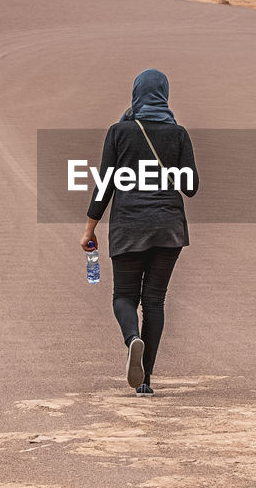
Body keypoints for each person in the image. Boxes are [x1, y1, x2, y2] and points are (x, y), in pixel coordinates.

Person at [81, 69, 199, 395]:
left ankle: (133, 338)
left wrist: (89, 229)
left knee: (124, 297)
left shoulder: (119, 132)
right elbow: (191, 188)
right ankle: (145, 380)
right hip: (169, 230)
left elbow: (104, 185)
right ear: (164, 94)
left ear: (136, 93)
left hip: (128, 227)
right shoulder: (178, 135)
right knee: (155, 301)